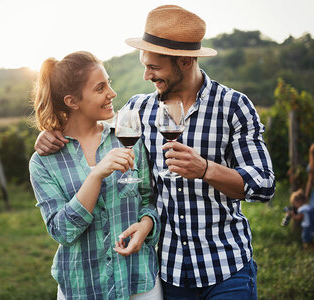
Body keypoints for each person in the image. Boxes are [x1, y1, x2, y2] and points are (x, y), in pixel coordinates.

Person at [34, 5, 276, 300]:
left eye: (154, 67)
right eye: (144, 64)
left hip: (226, 267)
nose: (146, 75)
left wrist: (205, 169)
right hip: (170, 272)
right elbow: (88, 126)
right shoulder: (138, 110)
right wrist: (51, 132)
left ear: (185, 62)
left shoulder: (233, 106)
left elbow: (264, 185)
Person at [29, 51, 162, 300]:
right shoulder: (44, 162)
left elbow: (149, 199)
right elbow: (62, 231)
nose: (111, 93)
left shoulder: (126, 136)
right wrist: (95, 175)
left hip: (139, 281)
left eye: (109, 83)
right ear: (72, 101)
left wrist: (147, 225)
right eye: (100, 88)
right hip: (83, 287)